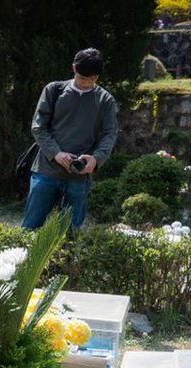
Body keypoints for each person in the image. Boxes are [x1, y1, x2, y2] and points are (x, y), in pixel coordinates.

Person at [22, 48, 119, 231]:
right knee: (30, 228)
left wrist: (96, 159)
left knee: (71, 234)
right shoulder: (54, 90)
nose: (86, 83)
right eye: (83, 78)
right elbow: (38, 127)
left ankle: (68, 261)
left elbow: (110, 133)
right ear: (74, 68)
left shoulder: (105, 100)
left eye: (92, 79)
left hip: (80, 176)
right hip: (46, 171)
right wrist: (57, 154)